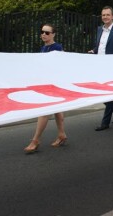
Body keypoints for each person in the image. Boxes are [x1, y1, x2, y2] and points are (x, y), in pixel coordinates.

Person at [24, 24, 68, 153]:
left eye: (47, 33)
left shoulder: (57, 48)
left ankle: (35, 140)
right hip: (46, 84)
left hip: (54, 85)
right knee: (57, 110)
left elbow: (61, 65)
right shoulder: (43, 48)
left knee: (44, 110)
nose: (44, 34)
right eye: (42, 32)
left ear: (53, 34)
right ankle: (61, 134)